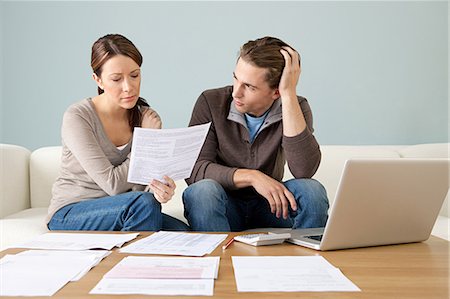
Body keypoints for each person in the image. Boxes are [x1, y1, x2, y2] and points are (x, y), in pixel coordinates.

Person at [183, 36, 329, 231]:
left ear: (275, 92)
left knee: (312, 192)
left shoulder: (295, 106)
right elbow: (195, 171)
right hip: (223, 204)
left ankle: (305, 260)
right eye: (236, 79)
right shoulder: (210, 101)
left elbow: (304, 171)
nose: (236, 92)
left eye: (249, 87)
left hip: (272, 206)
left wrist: (288, 96)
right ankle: (216, 258)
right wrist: (252, 177)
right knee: (202, 192)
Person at [47, 34, 189, 231]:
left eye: (134, 75)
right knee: (144, 204)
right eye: (116, 79)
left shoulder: (145, 118)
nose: (128, 87)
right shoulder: (78, 117)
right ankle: (131, 259)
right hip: (71, 212)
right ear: (98, 80)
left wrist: (159, 190)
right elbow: (112, 184)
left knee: (184, 233)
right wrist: (143, 145)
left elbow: (140, 186)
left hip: (127, 209)